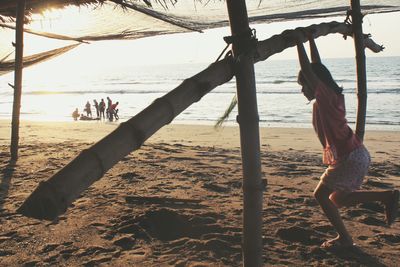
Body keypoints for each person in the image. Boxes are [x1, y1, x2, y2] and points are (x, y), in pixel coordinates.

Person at [296, 35, 399, 249]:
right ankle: (387, 196)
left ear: (314, 83)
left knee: (321, 195)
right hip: (357, 153)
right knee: (339, 199)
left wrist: (298, 41)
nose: (302, 90)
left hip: (350, 157)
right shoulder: (331, 95)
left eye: (303, 85)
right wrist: (309, 39)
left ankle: (344, 238)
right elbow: (317, 67)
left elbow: (309, 69)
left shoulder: (324, 97)